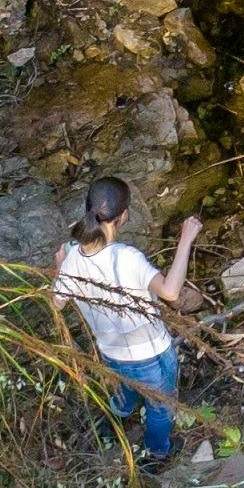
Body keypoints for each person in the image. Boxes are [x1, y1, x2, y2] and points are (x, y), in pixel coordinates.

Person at [52, 175, 200, 468]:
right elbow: (170, 291)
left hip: (110, 351)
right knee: (161, 405)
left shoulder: (71, 257)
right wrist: (185, 241)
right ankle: (157, 453)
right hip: (151, 353)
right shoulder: (128, 258)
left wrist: (59, 269)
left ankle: (113, 423)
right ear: (124, 216)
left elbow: (56, 302)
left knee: (122, 389)